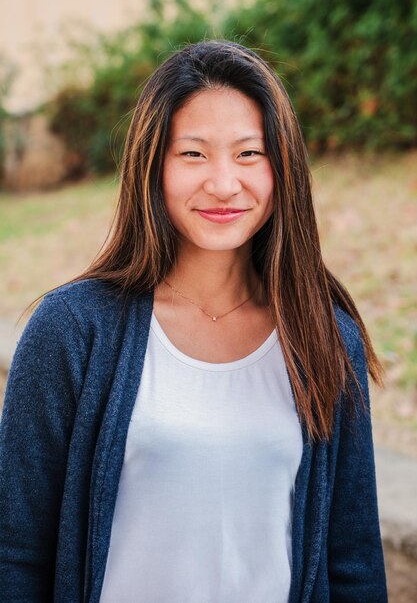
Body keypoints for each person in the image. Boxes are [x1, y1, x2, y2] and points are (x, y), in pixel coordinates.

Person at [0, 40, 387, 602]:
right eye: (194, 154)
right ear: (152, 167)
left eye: (249, 154)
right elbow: (16, 554)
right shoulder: (71, 330)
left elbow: (352, 561)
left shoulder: (324, 339)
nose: (224, 184)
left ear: (284, 168)